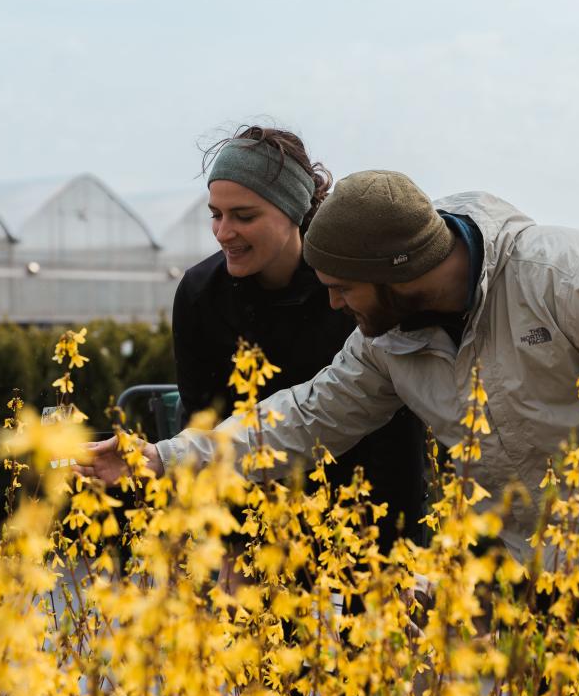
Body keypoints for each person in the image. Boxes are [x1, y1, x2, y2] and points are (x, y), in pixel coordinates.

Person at [84, 169, 579, 696]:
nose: (334, 303)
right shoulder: (386, 337)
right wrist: (165, 458)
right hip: (543, 586)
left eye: (342, 287)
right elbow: (305, 417)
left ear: (395, 272)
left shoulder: (569, 277)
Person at [171, 127, 428, 552]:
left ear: (293, 210)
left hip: (365, 518)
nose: (223, 232)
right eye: (216, 214)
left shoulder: (350, 286)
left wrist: (398, 551)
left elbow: (394, 433)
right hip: (259, 530)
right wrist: (231, 545)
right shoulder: (201, 294)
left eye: (244, 216)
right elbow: (204, 422)